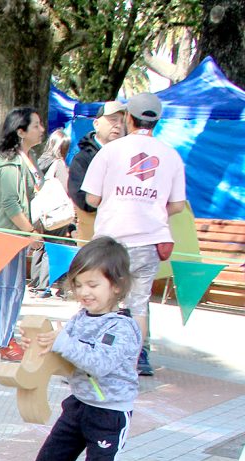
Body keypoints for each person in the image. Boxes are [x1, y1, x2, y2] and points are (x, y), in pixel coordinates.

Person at [25, 237, 141, 461]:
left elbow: (98, 363)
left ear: (116, 285)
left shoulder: (122, 327)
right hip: (78, 405)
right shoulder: (80, 318)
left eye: (93, 284)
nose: (84, 292)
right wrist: (42, 348)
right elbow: (67, 358)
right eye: (78, 285)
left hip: (109, 413)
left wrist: (62, 342)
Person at [82, 92, 186, 376]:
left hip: (111, 241)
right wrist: (152, 208)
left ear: (129, 117)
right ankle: (132, 364)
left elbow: (91, 198)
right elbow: (178, 204)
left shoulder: (110, 151)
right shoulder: (171, 156)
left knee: (102, 300)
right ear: (157, 121)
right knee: (139, 305)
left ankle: (96, 363)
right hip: (150, 241)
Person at [0, 107, 44, 360]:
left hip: (14, 238)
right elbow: (11, 205)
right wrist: (31, 232)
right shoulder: (10, 164)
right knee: (4, 288)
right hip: (6, 238)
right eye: (36, 125)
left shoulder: (25, 160)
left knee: (6, 288)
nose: (42, 129)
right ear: (20, 132)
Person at [68, 101, 126, 243]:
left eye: (123, 121)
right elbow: (81, 198)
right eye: (113, 120)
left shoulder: (130, 158)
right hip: (93, 239)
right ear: (96, 124)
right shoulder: (83, 159)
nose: (118, 125)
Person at [30, 129, 72, 298]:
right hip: (55, 213)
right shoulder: (58, 164)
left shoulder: (40, 161)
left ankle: (34, 283)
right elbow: (66, 188)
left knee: (40, 246)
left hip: (40, 212)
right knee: (53, 247)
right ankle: (44, 286)